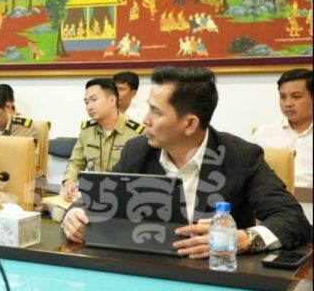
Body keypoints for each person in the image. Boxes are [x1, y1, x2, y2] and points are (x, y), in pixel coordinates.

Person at [62, 67, 311, 257]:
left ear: (190, 124)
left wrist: (244, 239)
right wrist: (75, 213)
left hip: (214, 278)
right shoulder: (137, 150)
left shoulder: (240, 156)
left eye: (156, 111)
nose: (145, 120)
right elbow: (98, 198)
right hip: (148, 267)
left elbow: (292, 218)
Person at [60, 78, 144, 202]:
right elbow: (75, 163)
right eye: (86, 102)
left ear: (112, 100)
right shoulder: (87, 131)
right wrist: (69, 182)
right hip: (91, 195)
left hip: (124, 197)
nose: (89, 107)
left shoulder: (136, 133)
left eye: (94, 100)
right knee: (59, 210)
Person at [251, 68, 312, 188]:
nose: (288, 103)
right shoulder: (263, 134)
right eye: (283, 97)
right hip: (274, 196)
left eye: (296, 97)